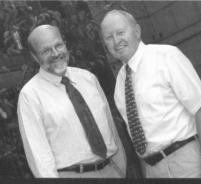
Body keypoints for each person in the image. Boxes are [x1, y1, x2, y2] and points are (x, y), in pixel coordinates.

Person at [100, 10, 201, 178]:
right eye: (109, 37)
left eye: (120, 32)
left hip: (187, 162)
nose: (116, 41)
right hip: (153, 170)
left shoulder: (166, 57)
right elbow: (138, 136)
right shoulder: (120, 82)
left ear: (137, 31)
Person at [17, 25, 126, 178]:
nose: (56, 54)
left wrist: (120, 170)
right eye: (46, 51)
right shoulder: (30, 96)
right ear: (35, 56)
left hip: (112, 170)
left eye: (58, 45)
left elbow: (111, 129)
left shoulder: (88, 78)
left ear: (65, 44)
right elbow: (39, 157)